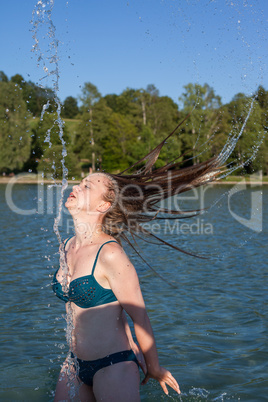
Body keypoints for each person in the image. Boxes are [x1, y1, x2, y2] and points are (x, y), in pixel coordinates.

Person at [52, 120, 223, 401]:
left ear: (103, 205)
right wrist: (127, 335)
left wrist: (154, 367)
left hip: (113, 365)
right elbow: (100, 307)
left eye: (87, 186)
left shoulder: (109, 254)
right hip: (74, 365)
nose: (76, 187)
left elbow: (139, 314)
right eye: (79, 183)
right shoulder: (66, 246)